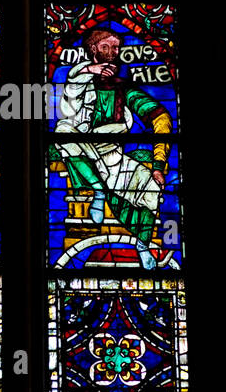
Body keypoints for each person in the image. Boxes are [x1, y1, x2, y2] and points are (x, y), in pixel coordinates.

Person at [55, 28, 171, 268]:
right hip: (83, 149)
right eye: (105, 47)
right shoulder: (78, 82)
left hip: (112, 155)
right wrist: (89, 70)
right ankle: (98, 190)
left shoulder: (122, 87)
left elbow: (159, 116)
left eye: (116, 47)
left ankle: (142, 244)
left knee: (151, 189)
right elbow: (71, 93)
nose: (112, 52)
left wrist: (158, 164)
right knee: (63, 133)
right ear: (93, 50)